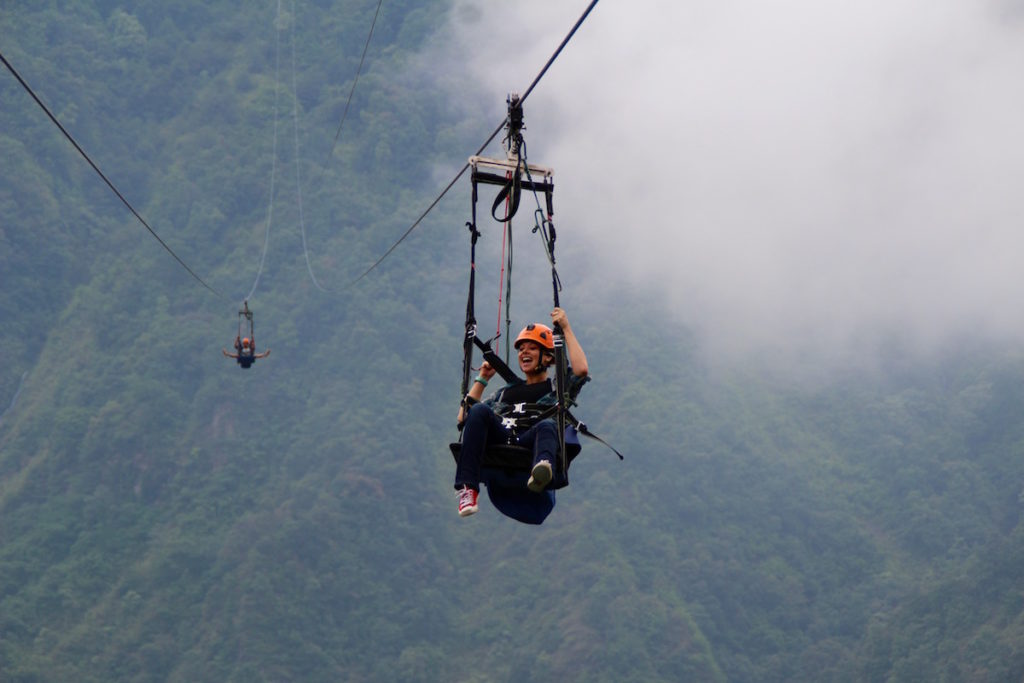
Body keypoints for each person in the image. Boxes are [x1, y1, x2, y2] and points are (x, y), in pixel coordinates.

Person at [455, 307, 589, 518]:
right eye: (521, 349)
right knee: (479, 410)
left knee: (547, 425)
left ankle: (541, 472)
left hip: (530, 443)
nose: (524, 352)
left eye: (532, 348)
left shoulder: (556, 391)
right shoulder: (502, 395)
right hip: (503, 440)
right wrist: (482, 379)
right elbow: (464, 418)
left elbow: (581, 370)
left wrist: (565, 327)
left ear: (547, 357)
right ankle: (468, 489)